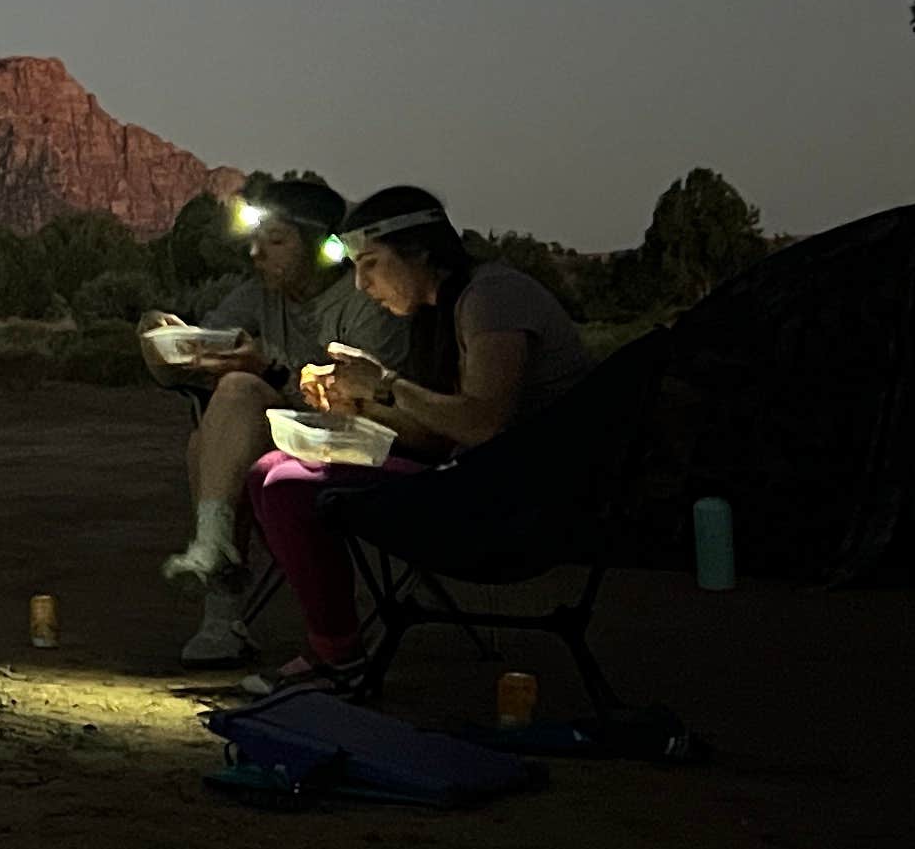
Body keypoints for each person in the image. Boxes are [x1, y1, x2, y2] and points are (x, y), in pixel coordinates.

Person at [237, 184, 596, 691]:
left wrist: (385, 384)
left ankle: (337, 658)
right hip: (472, 476)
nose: (361, 284)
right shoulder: (437, 314)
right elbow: (437, 437)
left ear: (420, 252)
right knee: (266, 470)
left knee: (287, 486)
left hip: (525, 502)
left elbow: (481, 424)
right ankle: (334, 644)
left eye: (371, 265)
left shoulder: (492, 297)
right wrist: (358, 404)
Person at [152, 172, 406, 662]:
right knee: (216, 432)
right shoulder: (259, 295)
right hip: (286, 440)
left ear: (321, 246)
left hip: (362, 443)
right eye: (254, 241)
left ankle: (221, 608)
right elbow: (202, 347)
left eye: (275, 241)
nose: (256, 254)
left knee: (237, 398)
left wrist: (269, 370)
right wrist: (172, 341)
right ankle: (216, 571)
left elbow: (369, 405)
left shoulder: (365, 301)